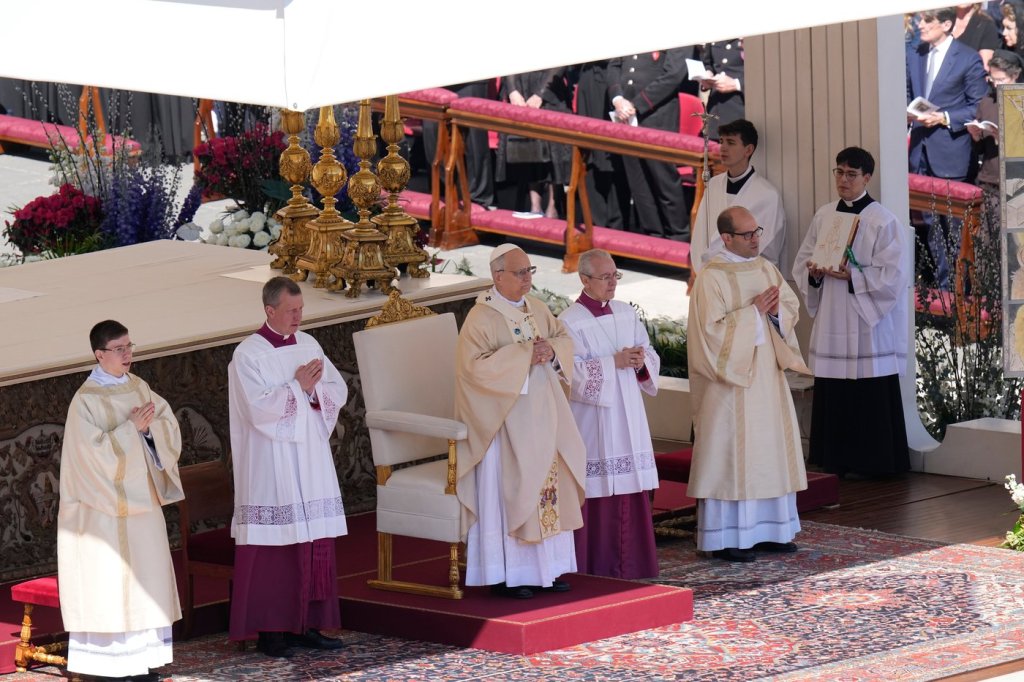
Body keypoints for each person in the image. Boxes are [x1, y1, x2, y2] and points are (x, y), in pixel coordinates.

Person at [455, 243, 586, 599]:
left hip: (545, 414)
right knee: (511, 493)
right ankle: (508, 574)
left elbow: (563, 338)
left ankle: (548, 570)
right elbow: (472, 370)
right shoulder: (481, 318)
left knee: (548, 490)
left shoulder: (537, 308)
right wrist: (524, 355)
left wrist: (552, 350)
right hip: (505, 423)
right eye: (520, 272)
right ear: (498, 276)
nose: (527, 278)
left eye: (530, 271)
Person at [228, 276, 348, 657]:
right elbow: (256, 409)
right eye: (291, 311)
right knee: (275, 546)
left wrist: (313, 391)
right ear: (270, 310)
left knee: (312, 540)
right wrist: (298, 388)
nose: (298, 317)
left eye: (301, 309)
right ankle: (271, 632)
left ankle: (305, 625)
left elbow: (337, 390)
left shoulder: (310, 345)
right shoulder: (248, 355)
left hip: (309, 457)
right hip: (272, 460)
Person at [58, 319, 183, 682]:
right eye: (119, 349)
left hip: (143, 510)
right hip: (103, 514)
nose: (127, 354)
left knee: (146, 582)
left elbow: (167, 428)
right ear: (100, 355)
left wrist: (149, 432)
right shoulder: (84, 401)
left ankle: (144, 663)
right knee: (111, 586)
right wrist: (133, 430)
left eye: (129, 347)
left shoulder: (139, 387)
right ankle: (112, 667)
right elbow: (90, 456)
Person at [687, 206, 808, 563]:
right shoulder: (711, 278)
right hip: (730, 386)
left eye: (757, 231)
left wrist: (774, 313)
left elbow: (788, 307)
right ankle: (728, 537)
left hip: (766, 380)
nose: (756, 239)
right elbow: (710, 334)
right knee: (731, 456)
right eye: (747, 234)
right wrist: (753, 312)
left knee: (768, 451)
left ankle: (772, 530)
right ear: (726, 238)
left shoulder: (765, 268)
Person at [793, 147, 911, 478]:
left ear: (867, 178)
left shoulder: (882, 220)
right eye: (839, 172)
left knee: (868, 390)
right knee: (834, 389)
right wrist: (814, 272)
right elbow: (803, 260)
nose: (843, 180)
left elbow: (894, 275)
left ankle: (872, 463)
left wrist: (854, 276)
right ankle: (834, 460)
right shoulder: (824, 215)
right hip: (833, 312)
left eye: (851, 174)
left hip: (865, 321)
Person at [558, 249, 660, 579]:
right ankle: (594, 565)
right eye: (605, 277)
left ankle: (633, 564)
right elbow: (568, 374)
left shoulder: (626, 312)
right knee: (596, 487)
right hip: (595, 420)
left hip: (629, 412)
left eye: (615, 275)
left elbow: (649, 352)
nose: (612, 282)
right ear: (584, 279)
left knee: (631, 484)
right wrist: (612, 362)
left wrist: (641, 361)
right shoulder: (569, 321)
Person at [907, 7, 988, 288]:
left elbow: (977, 106)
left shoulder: (967, 58)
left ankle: (959, 291)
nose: (920, 24)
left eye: (927, 20)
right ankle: (943, 290)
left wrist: (944, 118)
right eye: (920, 18)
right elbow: (906, 93)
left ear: (946, 24)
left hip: (951, 153)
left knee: (953, 228)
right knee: (930, 226)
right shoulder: (915, 53)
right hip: (920, 151)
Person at [607, 50, 691, 241]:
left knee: (664, 181)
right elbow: (614, 64)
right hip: (625, 115)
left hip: (657, 116)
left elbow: (674, 74)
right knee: (639, 184)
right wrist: (617, 99)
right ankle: (652, 236)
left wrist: (636, 104)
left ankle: (679, 237)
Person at [689, 118, 785, 277]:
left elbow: (767, 249)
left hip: (747, 277)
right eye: (721, 141)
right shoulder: (713, 185)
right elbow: (700, 234)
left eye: (731, 142)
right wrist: (704, 271)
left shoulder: (767, 195)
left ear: (748, 150)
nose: (723, 148)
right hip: (708, 275)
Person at [496, 68, 574, 218]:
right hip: (521, 86)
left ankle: (553, 207)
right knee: (528, 148)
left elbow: (560, 64)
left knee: (554, 152)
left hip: (550, 87)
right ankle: (535, 207)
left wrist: (541, 93)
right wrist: (512, 90)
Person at [698, 39, 745, 141]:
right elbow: (708, 62)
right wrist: (708, 75)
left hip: (742, 110)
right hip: (715, 111)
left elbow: (766, 71)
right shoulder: (716, 34)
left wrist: (736, 84)